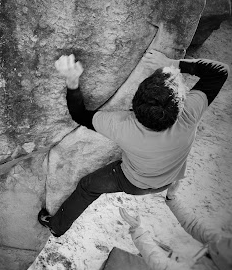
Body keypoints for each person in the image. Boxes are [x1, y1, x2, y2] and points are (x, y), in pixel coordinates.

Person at [38, 50, 229, 237]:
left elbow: (79, 114)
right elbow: (220, 71)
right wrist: (172, 63)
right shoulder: (188, 114)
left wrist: (72, 79)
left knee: (87, 186)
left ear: (135, 106)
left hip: (133, 182)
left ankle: (57, 226)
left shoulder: (122, 126)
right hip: (168, 179)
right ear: (179, 105)